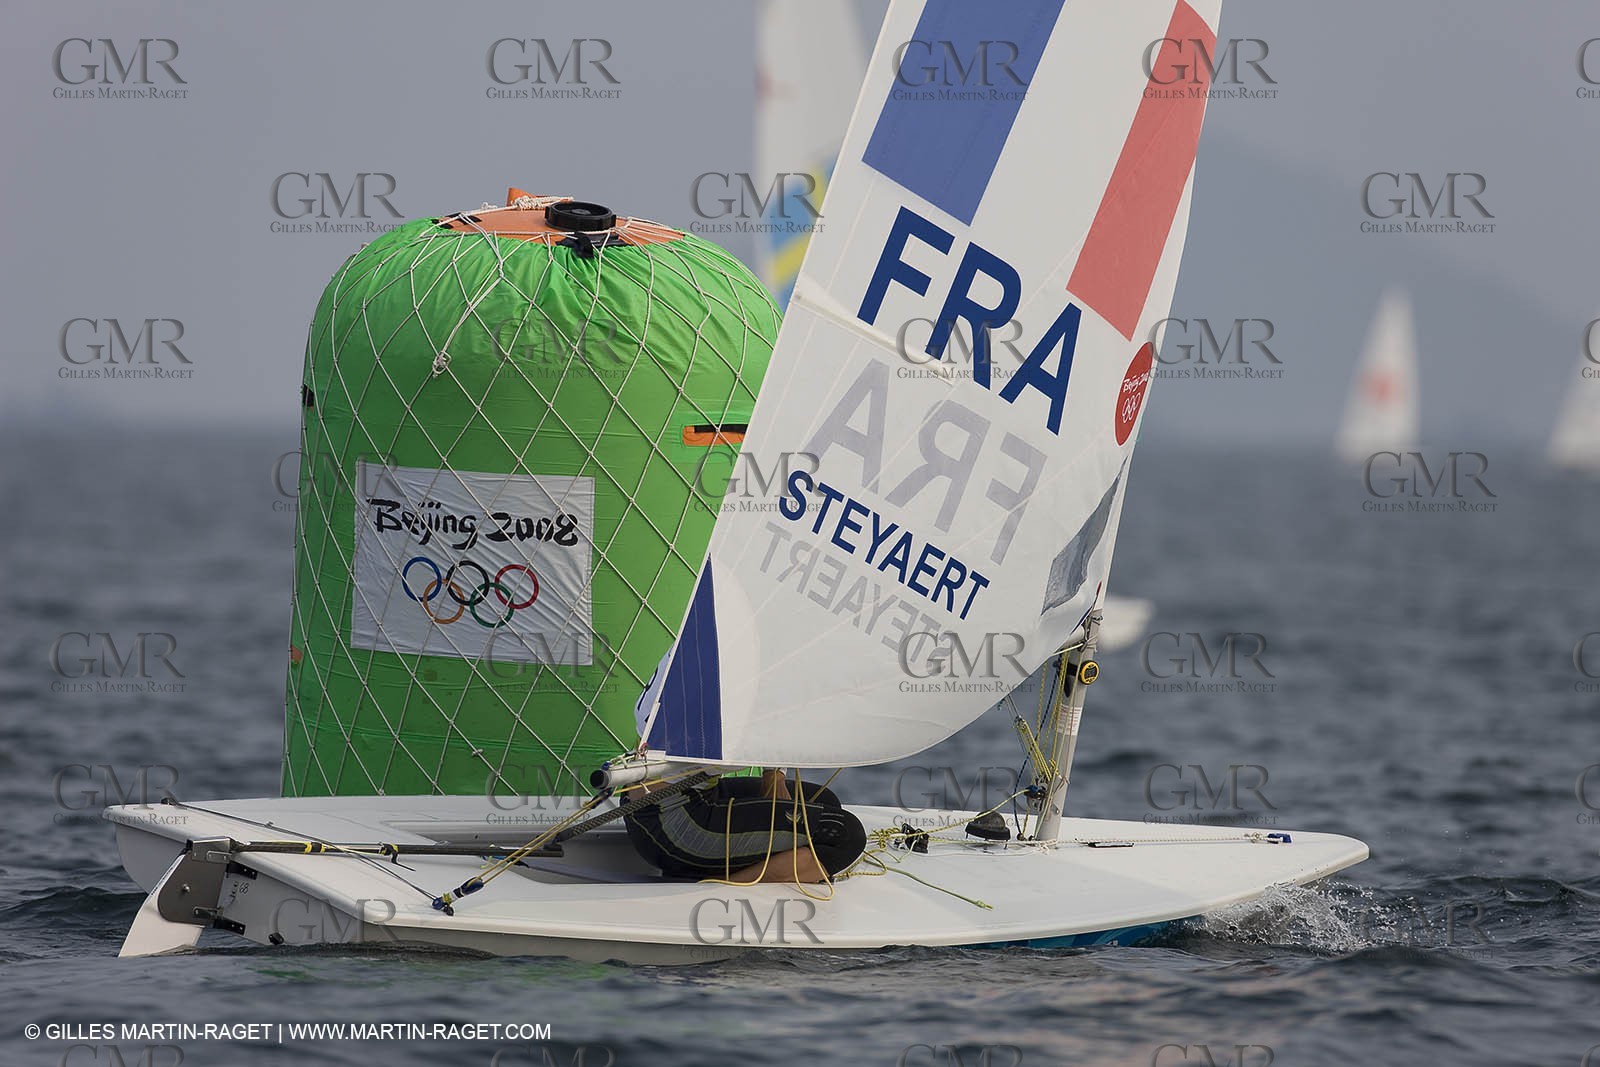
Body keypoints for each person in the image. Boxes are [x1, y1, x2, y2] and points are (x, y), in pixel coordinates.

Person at [623, 767, 866, 884]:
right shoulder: (714, 681)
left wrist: (775, 775)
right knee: (845, 835)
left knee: (824, 801)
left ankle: (711, 868)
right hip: (675, 826)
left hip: (692, 796)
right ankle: (728, 883)